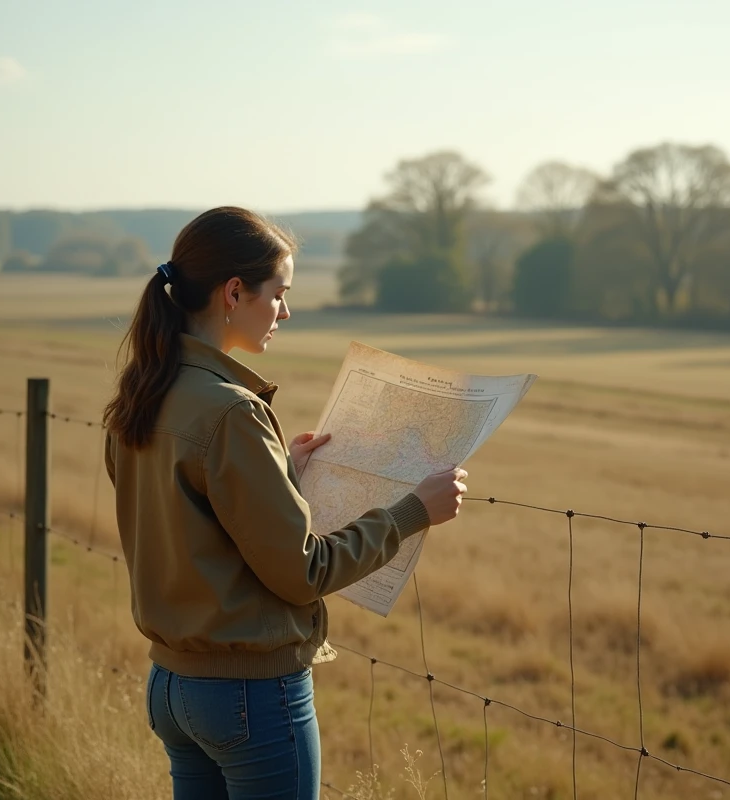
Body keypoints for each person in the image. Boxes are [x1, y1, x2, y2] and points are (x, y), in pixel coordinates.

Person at [102, 206, 468, 800]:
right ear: (235, 291)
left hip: (171, 684)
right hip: (249, 697)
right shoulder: (232, 411)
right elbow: (304, 573)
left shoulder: (144, 392)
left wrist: (280, 475)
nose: (286, 312)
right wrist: (412, 511)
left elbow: (188, 518)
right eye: (279, 294)